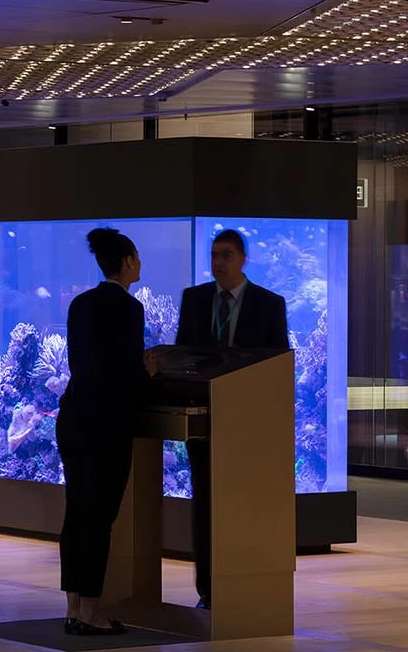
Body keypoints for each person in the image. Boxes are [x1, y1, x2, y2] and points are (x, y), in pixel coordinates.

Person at [175, 228, 289, 610]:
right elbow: (182, 355)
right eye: (213, 255)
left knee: (244, 503)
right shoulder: (193, 300)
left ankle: (246, 582)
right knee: (204, 502)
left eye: (225, 255)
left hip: (248, 425)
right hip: (203, 421)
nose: (218, 263)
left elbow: (276, 364)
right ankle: (208, 590)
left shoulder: (269, 304)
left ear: (243, 259)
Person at [57, 227, 159, 636]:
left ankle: (73, 606)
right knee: (100, 518)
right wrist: (148, 370)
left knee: (76, 513)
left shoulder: (80, 304)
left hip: (74, 418)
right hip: (107, 426)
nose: (139, 262)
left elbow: (82, 364)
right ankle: (92, 613)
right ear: (128, 261)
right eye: (136, 255)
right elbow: (126, 375)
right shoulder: (129, 310)